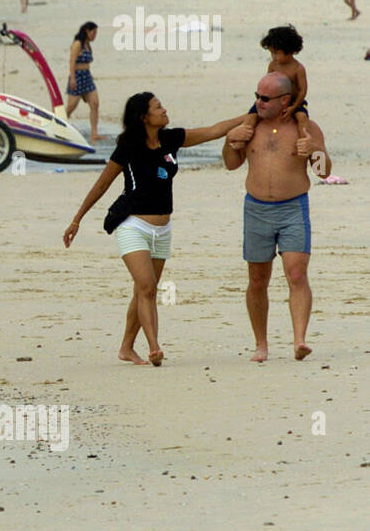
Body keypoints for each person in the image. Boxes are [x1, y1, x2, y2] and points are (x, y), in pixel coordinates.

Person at [64, 92, 245, 366]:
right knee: (147, 288)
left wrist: (255, 112)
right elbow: (102, 184)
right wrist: (77, 219)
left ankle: (126, 347)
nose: (164, 109)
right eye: (158, 107)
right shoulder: (128, 145)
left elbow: (214, 131)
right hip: (132, 225)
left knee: (143, 291)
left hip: (163, 229)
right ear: (144, 117)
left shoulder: (171, 139)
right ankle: (154, 347)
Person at [223, 72, 329, 362]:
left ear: (285, 100)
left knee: (296, 273)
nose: (257, 102)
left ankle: (299, 340)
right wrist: (230, 142)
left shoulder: (305, 128)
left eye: (265, 98)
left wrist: (315, 151)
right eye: (256, 95)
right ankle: (261, 344)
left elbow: (324, 172)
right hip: (256, 209)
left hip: (293, 208)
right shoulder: (250, 126)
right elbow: (231, 165)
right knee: (257, 278)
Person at [235, 24, 311, 148]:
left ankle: (304, 140)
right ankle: (243, 137)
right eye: (272, 53)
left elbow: (303, 90)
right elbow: (268, 82)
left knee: (302, 117)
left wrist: (293, 107)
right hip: (272, 98)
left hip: (293, 100)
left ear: (290, 51)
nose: (274, 57)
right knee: (252, 115)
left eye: (276, 53)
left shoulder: (298, 68)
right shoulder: (273, 65)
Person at [65, 21, 101, 142]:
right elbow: (72, 61)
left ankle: (94, 133)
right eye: (94, 32)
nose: (95, 35)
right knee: (70, 108)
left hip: (87, 77)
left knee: (95, 104)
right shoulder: (78, 44)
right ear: (87, 31)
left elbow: (86, 63)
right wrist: (73, 78)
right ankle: (59, 128)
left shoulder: (87, 45)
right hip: (77, 77)